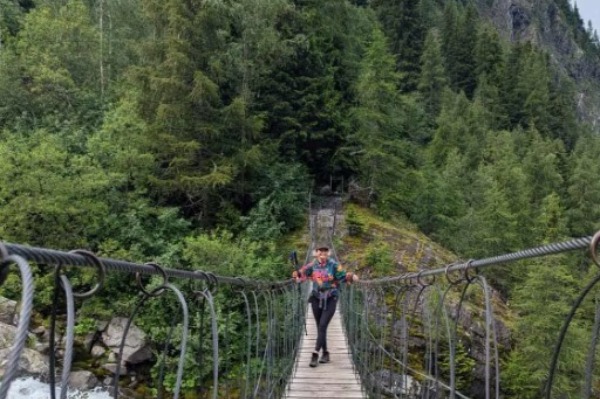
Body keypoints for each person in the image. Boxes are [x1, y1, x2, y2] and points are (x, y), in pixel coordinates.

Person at [292, 243, 359, 367]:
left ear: (328, 253)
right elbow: (302, 275)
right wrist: (296, 276)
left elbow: (343, 276)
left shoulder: (333, 264)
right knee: (320, 328)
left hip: (331, 297)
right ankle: (326, 353)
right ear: (315, 252)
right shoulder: (312, 265)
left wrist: (351, 276)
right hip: (316, 298)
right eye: (320, 251)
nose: (322, 253)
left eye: (325, 251)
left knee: (322, 325)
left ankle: (315, 354)